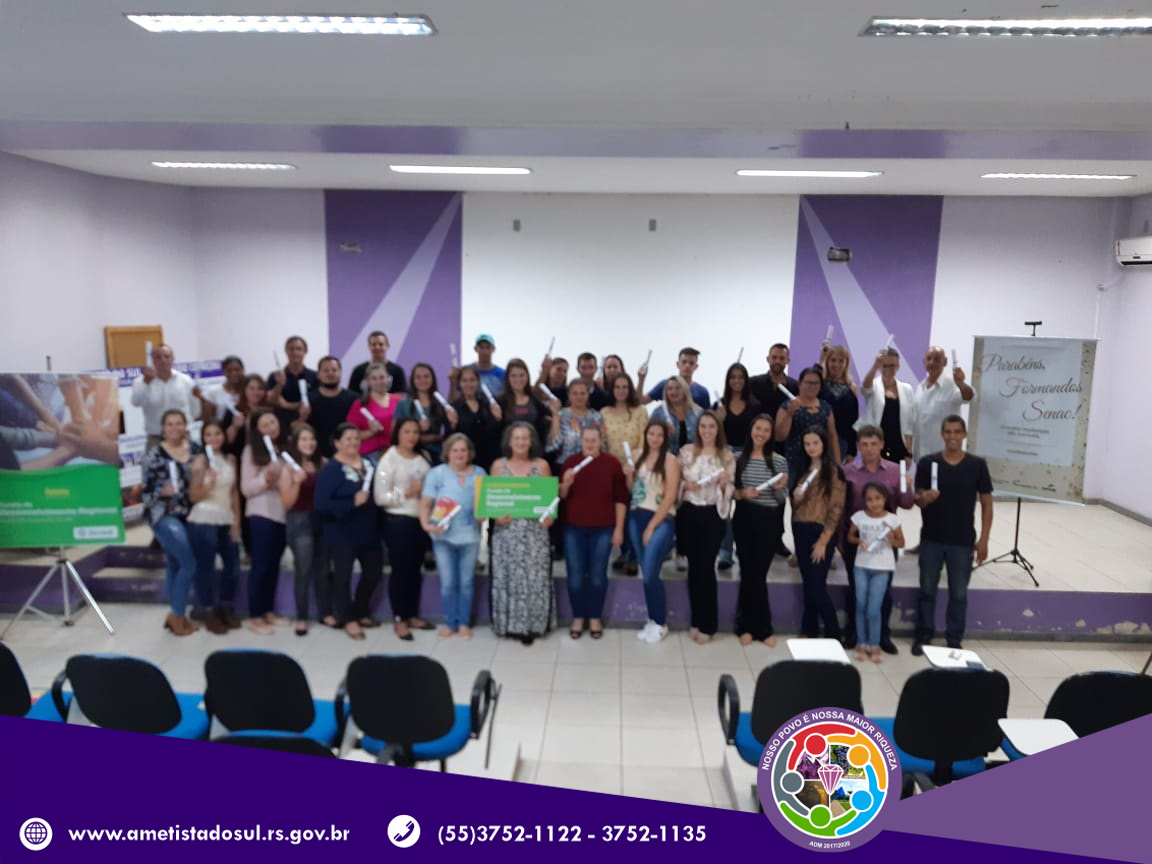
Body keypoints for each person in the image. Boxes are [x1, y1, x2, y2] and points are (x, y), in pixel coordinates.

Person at [913, 415, 993, 655]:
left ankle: (954, 638)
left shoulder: (977, 465)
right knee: (927, 590)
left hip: (962, 541)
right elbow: (918, 499)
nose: (952, 437)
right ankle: (924, 635)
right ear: (942, 434)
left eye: (957, 432)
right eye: (948, 432)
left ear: (964, 435)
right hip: (932, 539)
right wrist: (925, 498)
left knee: (958, 594)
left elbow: (987, 504)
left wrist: (984, 540)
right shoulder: (928, 463)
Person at [839, 425, 915, 654]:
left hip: (885, 541)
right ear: (858, 446)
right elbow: (841, 508)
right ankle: (854, 633)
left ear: (882, 444)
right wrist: (841, 541)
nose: (870, 449)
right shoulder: (848, 471)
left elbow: (907, 504)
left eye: (874, 444)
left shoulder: (895, 470)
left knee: (883, 591)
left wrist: (908, 486)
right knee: (856, 590)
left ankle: (882, 636)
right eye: (864, 444)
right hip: (858, 541)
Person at [314, 423, 383, 640]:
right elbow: (321, 504)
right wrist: (351, 503)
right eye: (348, 439)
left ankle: (361, 610)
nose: (353, 442)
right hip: (342, 531)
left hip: (369, 529)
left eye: (356, 438)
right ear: (337, 443)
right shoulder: (331, 470)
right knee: (342, 577)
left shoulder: (368, 464)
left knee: (374, 572)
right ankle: (348, 618)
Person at [559, 426, 627, 639]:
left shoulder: (612, 464)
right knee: (575, 576)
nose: (590, 444)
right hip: (573, 528)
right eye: (586, 440)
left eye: (594, 440)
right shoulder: (570, 463)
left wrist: (619, 529)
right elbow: (561, 496)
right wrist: (565, 485)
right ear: (580, 441)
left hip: (603, 529)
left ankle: (595, 616)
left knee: (598, 576)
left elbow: (621, 500)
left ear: (600, 441)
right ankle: (578, 616)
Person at [490, 422, 555, 644]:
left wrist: (549, 517)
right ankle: (508, 625)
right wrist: (496, 515)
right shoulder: (498, 466)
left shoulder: (542, 466)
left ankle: (533, 626)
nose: (521, 442)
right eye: (516, 438)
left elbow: (549, 502)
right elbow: (492, 500)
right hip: (506, 532)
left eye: (525, 438)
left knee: (535, 579)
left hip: (535, 533)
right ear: (509, 441)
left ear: (531, 441)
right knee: (507, 577)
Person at [141, 409, 202, 635]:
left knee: (175, 563)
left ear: (185, 426)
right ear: (163, 428)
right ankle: (177, 615)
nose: (175, 428)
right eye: (170, 424)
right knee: (189, 563)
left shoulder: (195, 449)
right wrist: (160, 491)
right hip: (164, 515)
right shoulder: (154, 455)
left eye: (179, 423)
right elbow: (144, 492)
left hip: (191, 513)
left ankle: (176, 614)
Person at [677, 411, 735, 644]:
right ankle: (696, 619)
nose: (707, 431)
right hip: (689, 513)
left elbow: (730, 490)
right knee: (693, 567)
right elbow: (675, 481)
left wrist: (724, 485)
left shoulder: (726, 456)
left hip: (712, 514)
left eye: (711, 426)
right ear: (697, 428)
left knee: (706, 567)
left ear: (718, 429)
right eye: (703, 426)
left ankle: (708, 624)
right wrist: (684, 485)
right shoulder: (686, 452)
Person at [421, 433, 487, 638]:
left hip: (470, 537)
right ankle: (450, 623)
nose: (459, 454)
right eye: (455, 450)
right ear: (447, 453)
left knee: (466, 582)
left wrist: (482, 516)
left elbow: (484, 506)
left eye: (463, 450)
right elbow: (425, 502)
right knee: (448, 583)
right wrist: (426, 524)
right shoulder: (436, 474)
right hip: (442, 538)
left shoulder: (480, 473)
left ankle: (464, 623)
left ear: (469, 453)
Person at [731, 414, 789, 646]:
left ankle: (763, 628)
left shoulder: (779, 461)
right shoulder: (738, 459)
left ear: (771, 434)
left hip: (769, 520)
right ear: (751, 430)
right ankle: (745, 627)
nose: (761, 434)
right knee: (747, 572)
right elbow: (731, 493)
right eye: (758, 428)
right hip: (744, 517)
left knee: (759, 573)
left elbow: (782, 499)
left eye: (766, 430)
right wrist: (743, 493)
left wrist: (778, 488)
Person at [375, 418, 433, 641]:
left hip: (420, 520)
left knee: (415, 569)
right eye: (407, 431)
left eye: (415, 432)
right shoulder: (388, 460)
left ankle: (412, 614)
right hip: (397, 521)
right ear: (397, 434)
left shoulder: (422, 458)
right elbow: (380, 497)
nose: (411, 436)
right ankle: (399, 618)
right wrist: (406, 493)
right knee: (401, 570)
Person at [625, 420, 681, 643]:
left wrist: (652, 526)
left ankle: (660, 622)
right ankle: (652, 619)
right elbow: (632, 490)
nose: (655, 438)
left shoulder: (670, 460)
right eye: (651, 434)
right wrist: (628, 475)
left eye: (659, 435)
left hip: (660, 518)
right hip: (635, 516)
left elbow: (670, 496)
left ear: (665, 438)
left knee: (649, 573)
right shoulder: (636, 455)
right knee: (648, 573)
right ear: (645, 434)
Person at [186, 419, 242, 635]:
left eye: (217, 434)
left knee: (233, 566)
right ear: (203, 438)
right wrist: (208, 484)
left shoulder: (230, 459)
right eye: (208, 435)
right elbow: (193, 495)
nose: (214, 438)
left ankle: (226, 607)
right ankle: (208, 610)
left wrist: (236, 520)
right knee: (205, 568)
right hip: (204, 519)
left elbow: (234, 492)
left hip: (226, 518)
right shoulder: (200, 462)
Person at [791, 427, 846, 640]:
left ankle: (833, 632)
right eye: (807, 444)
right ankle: (809, 628)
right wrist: (796, 498)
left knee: (817, 585)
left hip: (821, 531)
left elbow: (836, 509)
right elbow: (796, 506)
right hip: (801, 528)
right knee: (808, 582)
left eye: (815, 443)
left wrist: (824, 540)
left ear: (824, 444)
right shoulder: (802, 469)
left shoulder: (833, 472)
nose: (811, 448)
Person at [240, 409, 290, 635]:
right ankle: (255, 615)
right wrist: (266, 478)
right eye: (265, 425)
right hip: (261, 514)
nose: (271, 427)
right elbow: (246, 489)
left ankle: (268, 610)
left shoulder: (283, 449)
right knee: (260, 567)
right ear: (257, 431)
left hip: (281, 515)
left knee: (273, 566)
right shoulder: (251, 451)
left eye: (273, 421)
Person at [847, 483, 905, 663]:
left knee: (874, 608)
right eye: (869, 499)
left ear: (885, 499)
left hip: (882, 569)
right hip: (861, 567)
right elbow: (850, 536)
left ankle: (875, 643)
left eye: (878, 498)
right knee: (861, 605)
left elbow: (901, 543)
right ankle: (861, 642)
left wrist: (892, 540)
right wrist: (858, 541)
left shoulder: (892, 520)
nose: (874, 503)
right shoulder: (859, 517)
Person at [280, 424, 327, 636]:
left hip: (322, 520)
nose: (309, 443)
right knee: (304, 570)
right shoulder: (288, 468)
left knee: (322, 569)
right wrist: (297, 483)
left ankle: (325, 613)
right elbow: (287, 503)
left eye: (312, 439)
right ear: (296, 443)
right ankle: (301, 617)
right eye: (304, 439)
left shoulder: (323, 463)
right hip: (299, 521)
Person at [713, 362, 760, 571]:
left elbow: (758, 434)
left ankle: (744, 548)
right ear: (728, 380)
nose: (737, 381)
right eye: (733, 377)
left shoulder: (755, 405)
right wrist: (719, 420)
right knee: (724, 504)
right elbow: (712, 435)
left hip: (747, 457)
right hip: (724, 456)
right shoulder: (719, 405)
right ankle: (725, 550)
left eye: (741, 377)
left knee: (745, 506)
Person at [601, 372, 647, 575]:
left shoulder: (640, 411)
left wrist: (634, 465)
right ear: (612, 390)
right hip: (611, 470)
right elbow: (602, 442)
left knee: (634, 513)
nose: (621, 391)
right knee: (618, 513)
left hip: (634, 468)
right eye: (617, 387)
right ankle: (623, 552)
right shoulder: (604, 412)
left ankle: (634, 555)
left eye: (625, 387)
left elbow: (644, 440)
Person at [131, 344, 200, 448]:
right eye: (158, 357)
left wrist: (184, 425)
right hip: (156, 437)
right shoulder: (141, 382)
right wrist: (146, 383)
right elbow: (136, 402)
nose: (163, 360)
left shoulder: (185, 380)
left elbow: (195, 409)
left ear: (173, 359)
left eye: (167, 357)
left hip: (183, 436)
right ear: (153, 360)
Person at [913, 346, 975, 461]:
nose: (932, 362)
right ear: (924, 362)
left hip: (944, 459)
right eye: (929, 359)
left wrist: (961, 383)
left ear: (945, 362)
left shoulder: (952, 386)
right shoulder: (920, 388)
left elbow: (968, 397)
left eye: (937, 359)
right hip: (921, 457)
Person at [393, 362, 457, 464]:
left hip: (437, 455)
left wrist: (453, 422)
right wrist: (418, 430)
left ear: (432, 379)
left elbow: (449, 431)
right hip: (412, 454)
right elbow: (395, 434)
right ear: (413, 380)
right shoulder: (403, 404)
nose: (422, 380)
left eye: (426, 376)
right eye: (418, 377)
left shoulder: (439, 402)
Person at [860, 348, 914, 463]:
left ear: (898, 366)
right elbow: (865, 388)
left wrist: (909, 452)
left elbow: (909, 424)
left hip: (899, 446)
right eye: (885, 366)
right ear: (880, 366)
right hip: (876, 446)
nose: (888, 369)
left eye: (892, 366)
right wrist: (874, 367)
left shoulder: (907, 389)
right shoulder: (874, 385)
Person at [450, 364, 503, 470]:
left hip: (489, 460)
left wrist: (498, 419)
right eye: (464, 380)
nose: (469, 384)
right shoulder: (453, 408)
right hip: (464, 462)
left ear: (478, 382)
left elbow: (497, 434)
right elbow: (450, 439)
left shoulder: (490, 405)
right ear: (459, 383)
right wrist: (452, 424)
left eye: (472, 380)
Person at [817, 342, 860, 463]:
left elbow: (854, 420)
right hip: (819, 438)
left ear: (846, 363)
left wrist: (852, 450)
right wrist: (820, 360)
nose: (837, 364)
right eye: (833, 360)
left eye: (841, 361)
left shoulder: (852, 387)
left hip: (842, 441)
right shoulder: (820, 383)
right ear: (827, 362)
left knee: (834, 473)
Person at [267, 335, 319, 432]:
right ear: (286, 351)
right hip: (282, 426)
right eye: (291, 349)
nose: (295, 352)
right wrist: (279, 385)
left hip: (309, 426)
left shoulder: (315, 376)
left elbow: (316, 402)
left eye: (299, 349)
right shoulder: (275, 376)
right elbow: (271, 401)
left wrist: (287, 405)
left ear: (305, 351)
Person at [547, 378, 604, 465]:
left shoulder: (596, 417)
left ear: (588, 394)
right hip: (565, 464)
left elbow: (602, 445)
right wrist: (555, 415)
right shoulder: (562, 415)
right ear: (569, 395)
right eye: (575, 393)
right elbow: (553, 445)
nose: (579, 397)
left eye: (582, 393)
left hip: (592, 464)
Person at [309, 356, 357, 458]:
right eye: (326, 370)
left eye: (334, 370)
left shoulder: (354, 399)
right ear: (318, 375)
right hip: (317, 456)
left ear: (340, 373)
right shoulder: (308, 400)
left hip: (347, 455)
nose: (330, 373)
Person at [345, 363, 397, 457]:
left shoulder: (398, 400)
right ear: (368, 381)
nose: (379, 381)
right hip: (371, 454)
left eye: (382, 377)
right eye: (374, 378)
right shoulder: (360, 404)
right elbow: (350, 434)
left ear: (388, 378)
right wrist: (371, 432)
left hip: (396, 451)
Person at [498, 358, 552, 448]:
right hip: (508, 451)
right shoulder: (499, 402)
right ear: (507, 378)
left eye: (522, 375)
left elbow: (547, 419)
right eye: (513, 376)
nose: (518, 379)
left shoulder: (534, 400)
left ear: (527, 376)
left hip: (533, 450)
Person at [650, 375, 703, 456]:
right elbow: (649, 438)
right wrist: (662, 430)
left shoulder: (698, 412)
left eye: (678, 388)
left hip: (694, 458)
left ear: (685, 390)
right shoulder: (658, 413)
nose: (674, 391)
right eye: (670, 389)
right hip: (666, 459)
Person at [221, 374, 271, 459]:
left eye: (260, 388)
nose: (256, 392)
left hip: (265, 455)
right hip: (239, 456)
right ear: (244, 390)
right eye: (251, 388)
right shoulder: (233, 412)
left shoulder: (269, 411)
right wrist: (235, 426)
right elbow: (226, 441)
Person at [750, 343, 800, 425]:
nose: (777, 361)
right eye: (774, 357)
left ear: (788, 361)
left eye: (782, 358)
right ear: (768, 359)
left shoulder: (795, 386)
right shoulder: (753, 383)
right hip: (759, 431)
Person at [642, 347, 710, 407]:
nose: (687, 366)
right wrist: (641, 379)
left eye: (691, 363)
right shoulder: (666, 385)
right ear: (678, 364)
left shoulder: (702, 392)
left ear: (696, 367)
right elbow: (642, 401)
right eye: (684, 362)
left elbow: (708, 415)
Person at [348, 330, 406, 396]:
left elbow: (401, 396)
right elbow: (352, 395)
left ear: (387, 346)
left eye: (381, 344)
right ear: (369, 347)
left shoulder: (397, 371)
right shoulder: (358, 370)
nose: (377, 347)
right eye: (374, 344)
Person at [450, 333, 505, 400]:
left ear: (493, 349)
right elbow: (454, 400)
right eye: (481, 347)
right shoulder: (466, 372)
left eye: (488, 347)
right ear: (475, 349)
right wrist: (453, 383)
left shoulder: (503, 374)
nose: (485, 351)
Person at [198, 355, 245, 419]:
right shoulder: (213, 392)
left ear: (243, 370)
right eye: (229, 370)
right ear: (224, 372)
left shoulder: (248, 390)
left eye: (237, 370)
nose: (233, 373)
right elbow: (206, 418)